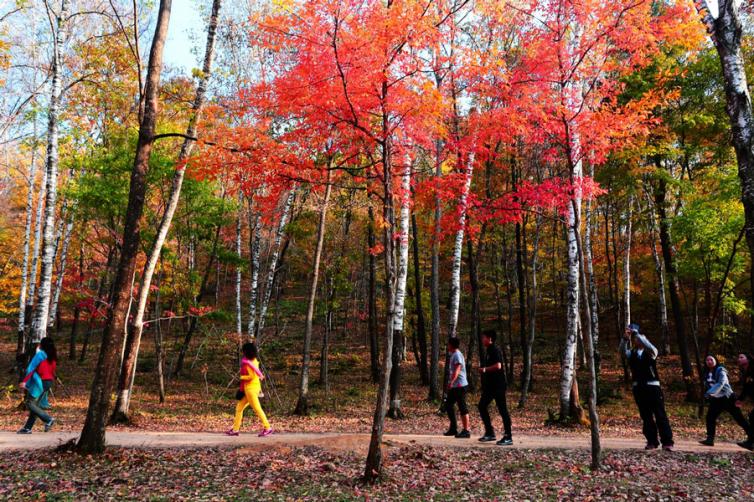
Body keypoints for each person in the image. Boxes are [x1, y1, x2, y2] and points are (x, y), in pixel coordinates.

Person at [620, 323, 674, 451]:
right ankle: (652, 441)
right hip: (639, 388)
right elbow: (622, 352)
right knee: (646, 416)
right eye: (635, 339)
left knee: (660, 415)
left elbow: (650, 346)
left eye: (638, 338)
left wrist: (637, 333)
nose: (637, 340)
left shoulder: (651, 352)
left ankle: (667, 442)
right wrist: (625, 339)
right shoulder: (632, 353)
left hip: (653, 387)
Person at [698, 355, 752, 447]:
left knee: (740, 419)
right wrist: (710, 396)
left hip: (728, 398)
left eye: (711, 359)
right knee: (710, 417)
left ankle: (752, 439)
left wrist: (709, 393)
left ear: (716, 360)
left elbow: (721, 383)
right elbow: (707, 384)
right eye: (707, 360)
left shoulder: (721, 370)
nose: (709, 361)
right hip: (716, 399)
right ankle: (710, 439)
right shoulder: (706, 372)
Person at [227, 342, 272, 437]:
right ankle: (235, 429)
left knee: (257, 408)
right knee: (239, 408)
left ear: (247, 352)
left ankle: (267, 427)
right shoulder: (253, 361)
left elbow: (251, 376)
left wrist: (242, 377)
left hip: (251, 389)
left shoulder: (248, 363)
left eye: (244, 351)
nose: (242, 352)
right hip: (252, 388)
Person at [477, 330, 512, 445]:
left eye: (484, 337)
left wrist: (485, 369)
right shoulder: (488, 350)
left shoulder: (495, 349)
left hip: (498, 386)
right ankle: (490, 433)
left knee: (503, 410)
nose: (482, 340)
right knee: (482, 406)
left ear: (490, 338)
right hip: (490, 387)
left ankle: (508, 436)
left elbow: (498, 366)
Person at [17, 337, 57, 434]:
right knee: (35, 405)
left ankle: (48, 419)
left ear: (42, 345)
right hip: (48, 382)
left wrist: (25, 382)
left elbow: (31, 369)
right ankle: (27, 428)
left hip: (39, 382)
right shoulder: (52, 356)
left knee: (29, 403)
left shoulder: (40, 354)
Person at [444, 337, 470, 439]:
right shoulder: (454, 354)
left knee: (462, 406)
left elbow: (458, 369)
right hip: (456, 386)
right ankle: (453, 428)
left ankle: (466, 430)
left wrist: (451, 382)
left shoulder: (457, 355)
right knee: (449, 405)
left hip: (460, 385)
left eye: (448, 344)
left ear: (451, 345)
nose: (447, 346)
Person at [735, 353, 754, 450]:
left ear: (748, 359)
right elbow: (746, 388)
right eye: (738, 357)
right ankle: (750, 443)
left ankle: (750, 443)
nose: (739, 359)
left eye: (741, 357)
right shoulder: (747, 372)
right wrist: (740, 400)